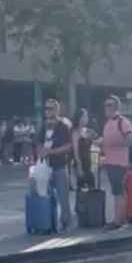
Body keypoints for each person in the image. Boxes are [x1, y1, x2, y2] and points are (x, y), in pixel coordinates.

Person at [35, 99, 73, 233]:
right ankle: (49, 222)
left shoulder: (63, 125)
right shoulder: (43, 125)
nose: (47, 111)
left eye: (50, 108)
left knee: (63, 196)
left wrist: (51, 152)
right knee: (46, 195)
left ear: (57, 110)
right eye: (46, 108)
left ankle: (66, 222)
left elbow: (69, 146)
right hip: (45, 166)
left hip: (60, 165)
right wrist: (40, 152)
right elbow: (39, 142)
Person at [99, 96, 132, 230]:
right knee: (116, 192)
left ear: (116, 107)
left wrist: (114, 143)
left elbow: (131, 141)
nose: (107, 108)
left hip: (119, 163)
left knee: (118, 192)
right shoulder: (108, 123)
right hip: (109, 162)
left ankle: (118, 221)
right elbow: (106, 142)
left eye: (110, 105)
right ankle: (119, 218)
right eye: (106, 105)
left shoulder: (123, 122)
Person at [72, 108, 96, 192]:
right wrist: (79, 166)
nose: (86, 118)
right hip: (81, 162)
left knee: (92, 187)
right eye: (84, 116)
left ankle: (91, 205)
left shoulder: (88, 131)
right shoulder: (75, 132)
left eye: (86, 116)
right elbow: (75, 151)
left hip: (89, 161)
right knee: (81, 189)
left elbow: (95, 144)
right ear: (79, 118)